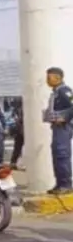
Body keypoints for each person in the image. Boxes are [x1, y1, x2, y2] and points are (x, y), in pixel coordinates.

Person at [44, 67, 73, 195]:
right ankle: (60, 184)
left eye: (49, 77)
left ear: (57, 78)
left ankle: (66, 184)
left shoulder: (65, 91)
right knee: (56, 155)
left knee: (62, 154)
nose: (47, 80)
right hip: (56, 127)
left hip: (63, 127)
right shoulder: (55, 92)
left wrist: (64, 117)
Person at [10, 101, 25, 171]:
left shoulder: (20, 110)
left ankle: (14, 163)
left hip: (24, 131)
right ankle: (13, 163)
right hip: (20, 132)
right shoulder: (19, 110)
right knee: (17, 148)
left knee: (18, 148)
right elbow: (17, 120)